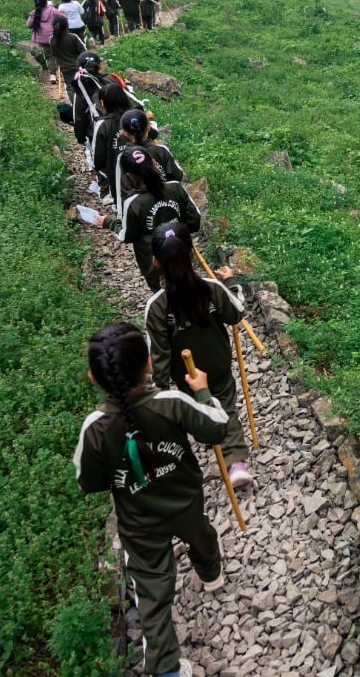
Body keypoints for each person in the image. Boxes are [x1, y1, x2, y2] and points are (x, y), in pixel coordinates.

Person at [74, 321, 228, 677]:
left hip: (138, 522)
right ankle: (211, 572)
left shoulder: (94, 427)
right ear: (148, 363)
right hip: (186, 501)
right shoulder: (170, 403)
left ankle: (167, 669)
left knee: (152, 593)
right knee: (201, 534)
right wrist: (203, 392)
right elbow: (217, 428)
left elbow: (89, 482)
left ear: (93, 378)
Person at [145, 222, 253, 490]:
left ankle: (206, 433)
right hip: (217, 363)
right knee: (226, 407)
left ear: (156, 261)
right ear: (192, 253)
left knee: (197, 407)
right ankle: (236, 463)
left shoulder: (156, 307)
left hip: (185, 375)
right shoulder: (211, 288)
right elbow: (236, 313)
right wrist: (230, 282)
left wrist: (160, 388)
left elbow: (159, 352)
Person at [96, 147, 201, 291]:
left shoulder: (132, 203)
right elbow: (195, 222)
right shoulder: (176, 188)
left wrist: (109, 222)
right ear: (153, 164)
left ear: (129, 176)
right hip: (182, 254)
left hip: (153, 264)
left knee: (164, 298)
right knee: (188, 289)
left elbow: (127, 235)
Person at [90, 79, 143, 192]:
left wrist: (99, 172)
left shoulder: (102, 124)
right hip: (140, 169)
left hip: (114, 174)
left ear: (103, 103)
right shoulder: (135, 117)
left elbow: (98, 155)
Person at [121, 108, 184, 185]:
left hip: (136, 196)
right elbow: (178, 176)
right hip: (163, 195)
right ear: (148, 126)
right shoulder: (161, 150)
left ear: (125, 133)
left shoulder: (121, 156)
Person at [71, 51, 105, 147]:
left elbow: (78, 116)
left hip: (97, 131)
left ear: (79, 66)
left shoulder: (82, 88)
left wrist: (80, 137)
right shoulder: (110, 79)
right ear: (99, 65)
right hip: (119, 127)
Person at [25, 0, 59, 83]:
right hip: (54, 36)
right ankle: (58, 71)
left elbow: (28, 25)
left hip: (43, 38)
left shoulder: (34, 13)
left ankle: (52, 75)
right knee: (56, 54)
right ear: (46, 2)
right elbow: (63, 19)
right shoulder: (53, 10)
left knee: (49, 56)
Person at [50, 16, 88, 85]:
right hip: (78, 67)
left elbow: (54, 54)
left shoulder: (52, 39)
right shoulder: (73, 37)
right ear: (67, 25)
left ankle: (73, 95)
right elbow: (83, 52)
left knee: (70, 86)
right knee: (83, 85)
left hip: (65, 68)